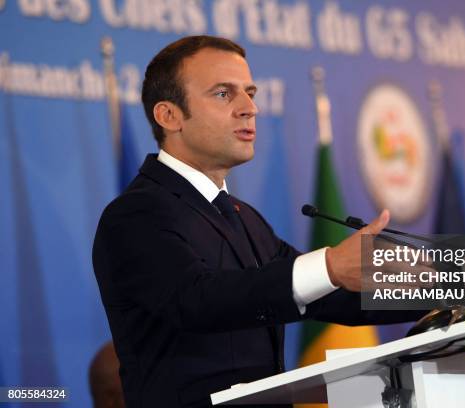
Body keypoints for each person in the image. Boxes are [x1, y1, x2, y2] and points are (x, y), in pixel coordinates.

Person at [92, 35, 427, 408]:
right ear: (169, 115)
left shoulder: (245, 219)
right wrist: (330, 265)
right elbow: (198, 299)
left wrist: (460, 285)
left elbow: (330, 293)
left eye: (250, 93)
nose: (249, 107)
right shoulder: (135, 215)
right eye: (224, 94)